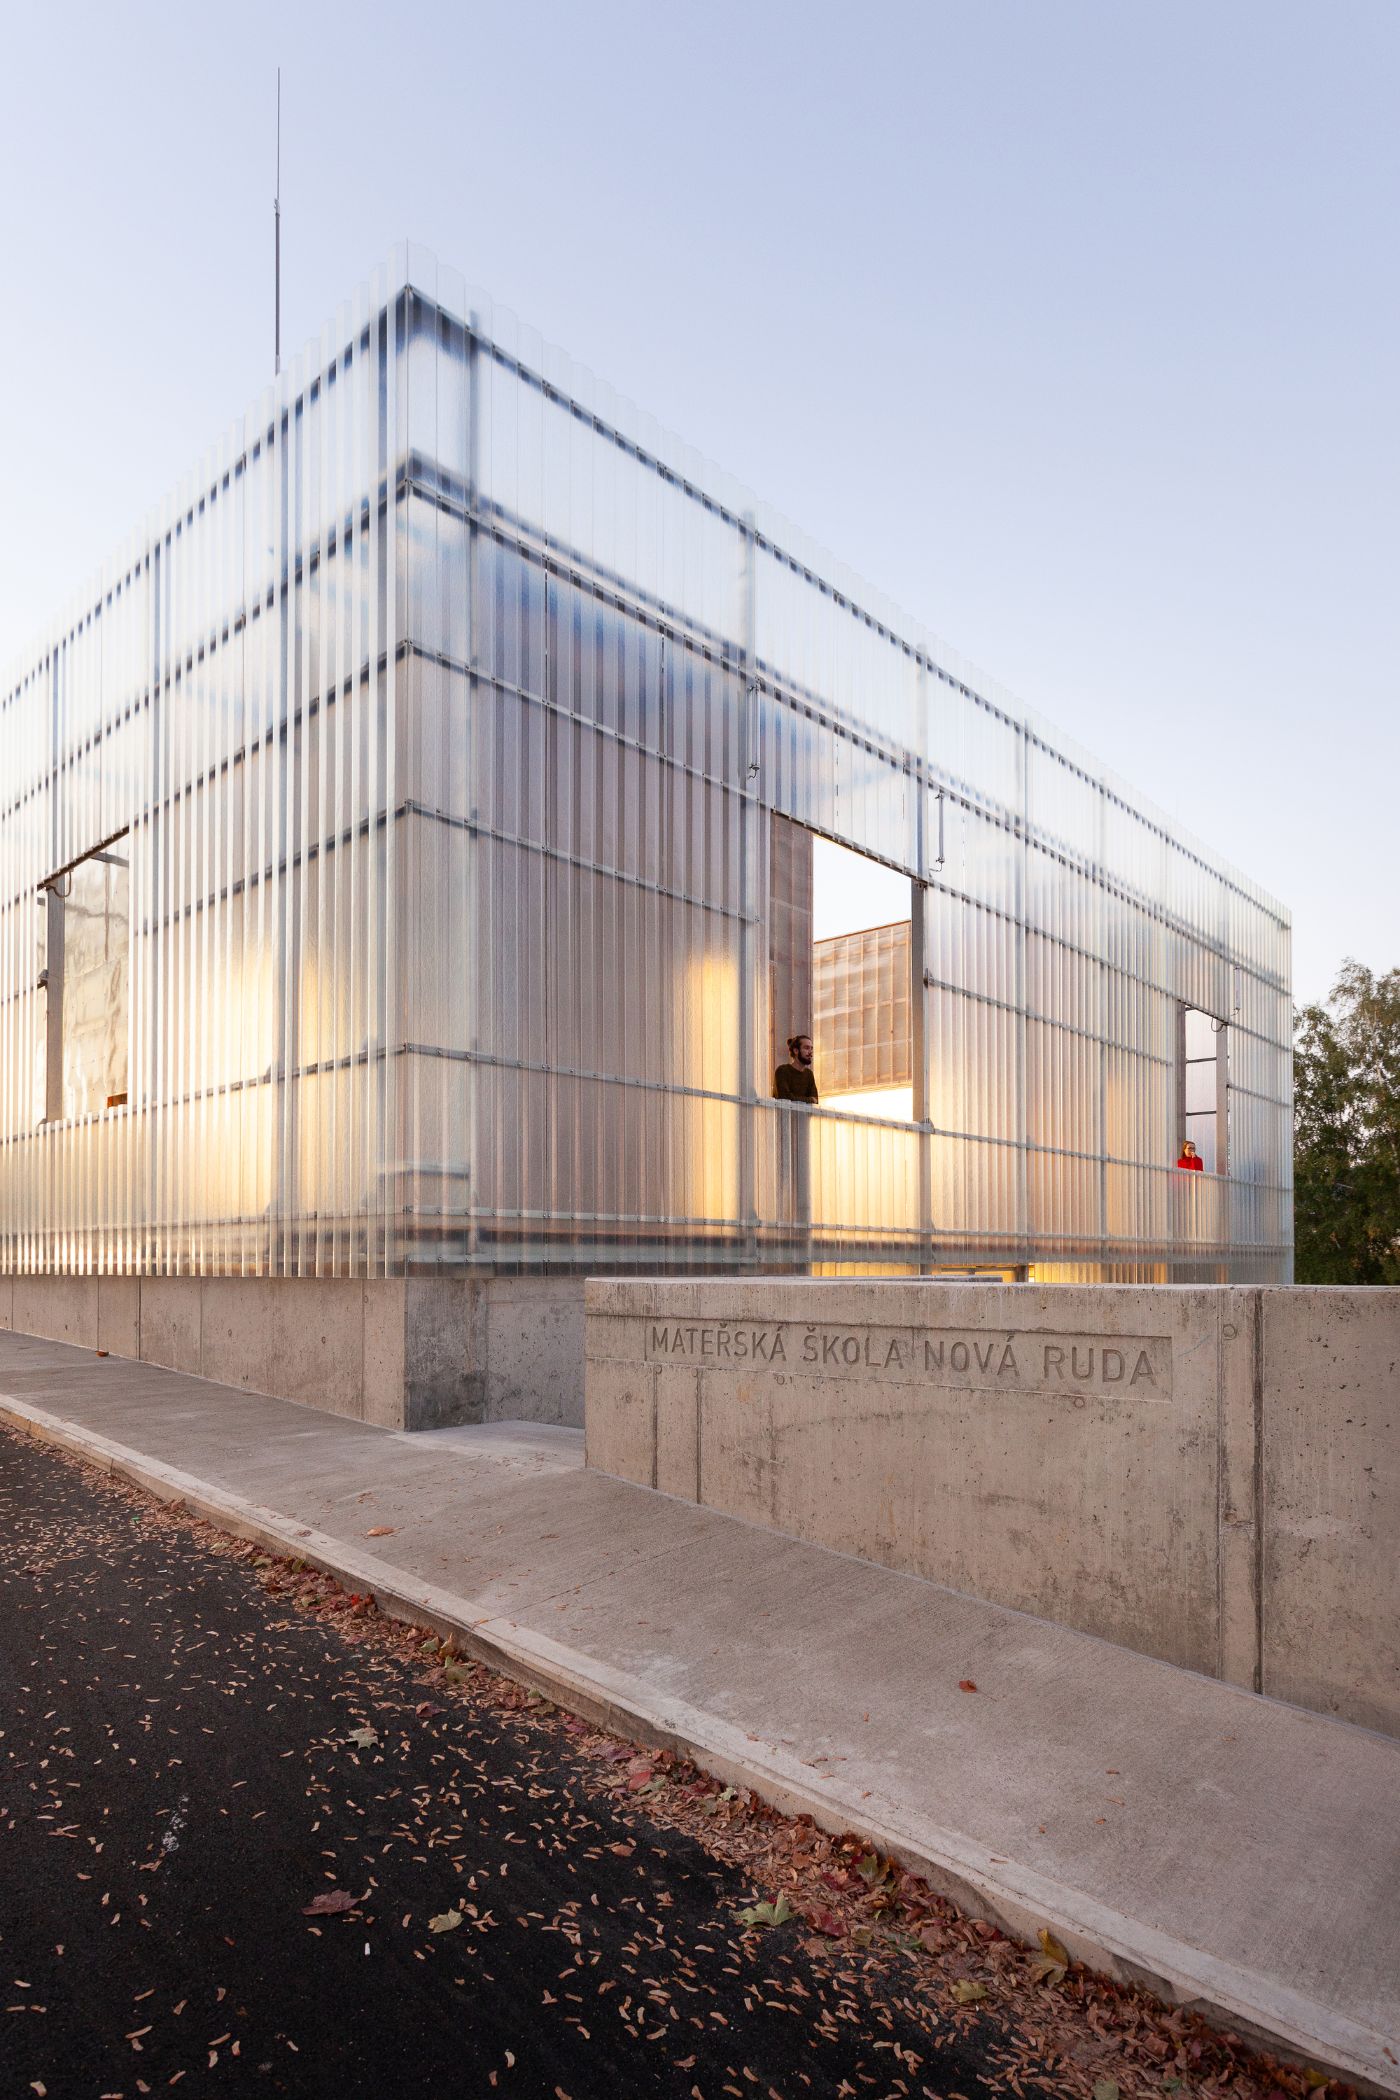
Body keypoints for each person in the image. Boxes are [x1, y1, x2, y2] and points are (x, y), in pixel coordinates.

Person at [774, 1033, 818, 1105]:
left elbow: (816, 1100)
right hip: (785, 1115)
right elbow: (785, 1098)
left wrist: (796, 1098)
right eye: (806, 1048)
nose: (810, 1052)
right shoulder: (782, 1070)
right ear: (796, 1051)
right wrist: (810, 1100)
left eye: (811, 1048)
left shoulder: (809, 1074)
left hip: (804, 1116)